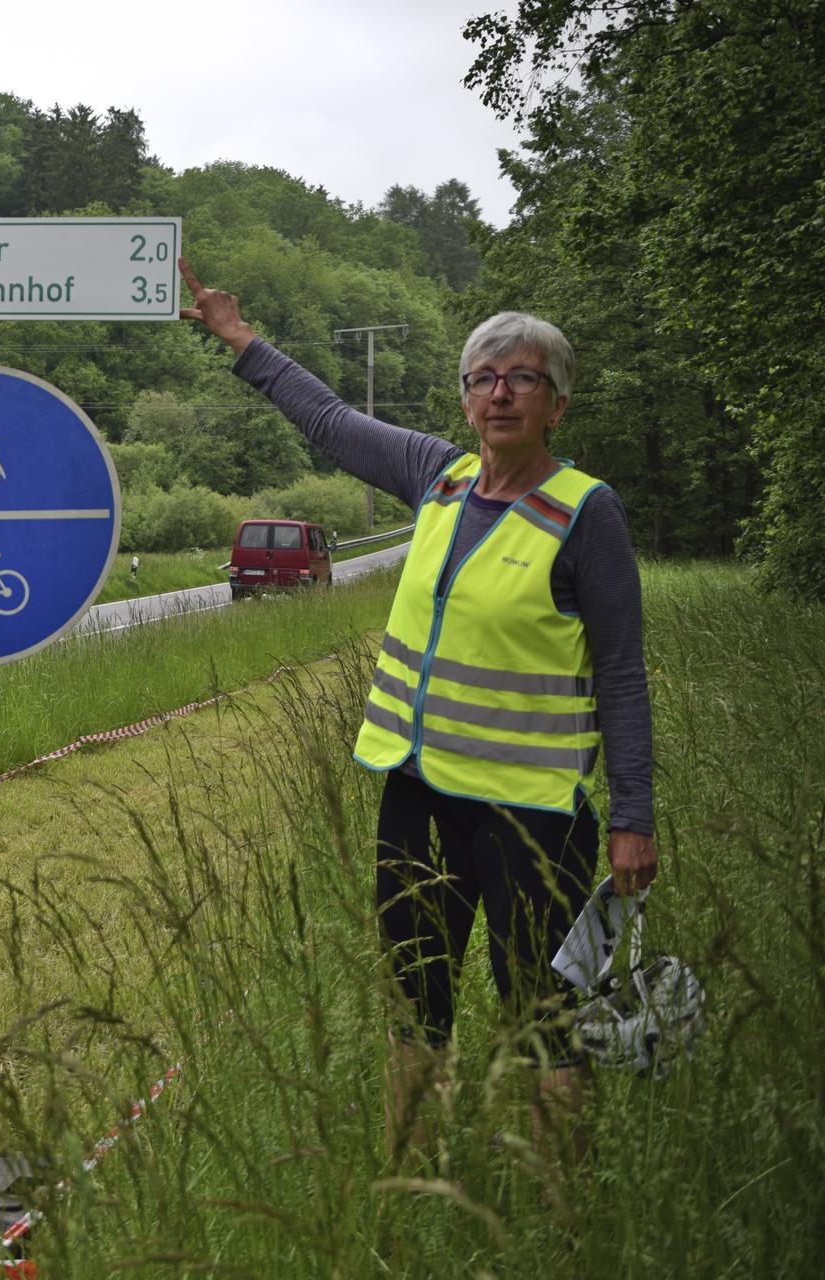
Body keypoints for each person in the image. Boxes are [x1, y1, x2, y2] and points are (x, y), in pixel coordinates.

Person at [179, 265, 658, 1158]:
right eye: (484, 378)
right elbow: (328, 420)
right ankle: (409, 1183)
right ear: (467, 400)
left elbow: (623, 674)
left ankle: (561, 1217)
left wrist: (633, 816)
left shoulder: (587, 514)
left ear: (557, 403)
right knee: (415, 1005)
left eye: (523, 378)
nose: (501, 392)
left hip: (536, 815)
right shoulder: (436, 479)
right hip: (419, 797)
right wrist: (241, 339)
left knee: (546, 1019)